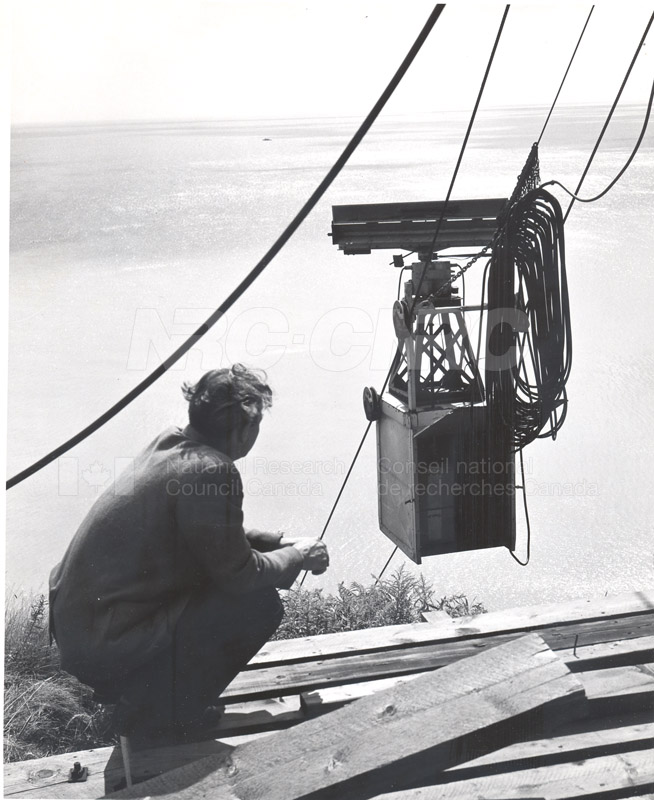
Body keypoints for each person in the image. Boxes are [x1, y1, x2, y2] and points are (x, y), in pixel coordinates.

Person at [49, 364, 329, 744]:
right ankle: (162, 717)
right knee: (257, 604)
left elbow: (204, 531)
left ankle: (149, 697)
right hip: (104, 642)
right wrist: (298, 557)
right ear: (243, 430)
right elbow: (241, 575)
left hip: (83, 627)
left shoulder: (171, 444)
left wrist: (280, 542)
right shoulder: (213, 471)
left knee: (222, 592)